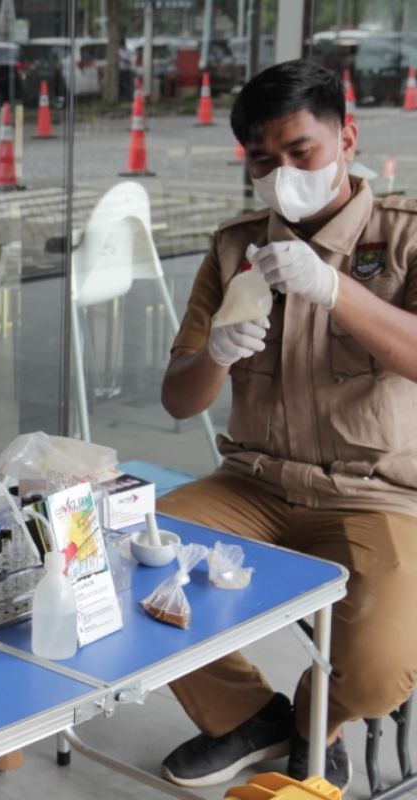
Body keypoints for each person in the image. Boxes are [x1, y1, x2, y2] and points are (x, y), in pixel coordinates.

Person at [158, 60, 417, 791]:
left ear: (347, 137)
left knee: (375, 672)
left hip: (379, 493)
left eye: (300, 152)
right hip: (254, 483)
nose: (282, 176)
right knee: (127, 562)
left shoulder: (404, 238)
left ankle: (315, 721)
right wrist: (213, 356)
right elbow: (179, 400)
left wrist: (335, 289)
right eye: (263, 161)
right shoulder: (234, 245)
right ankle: (249, 717)